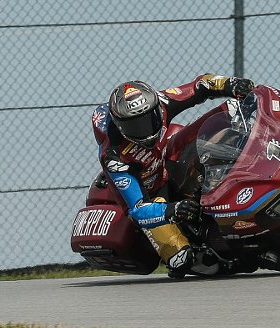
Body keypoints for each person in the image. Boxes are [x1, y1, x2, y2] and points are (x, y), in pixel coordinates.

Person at [92, 73, 254, 278]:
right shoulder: (114, 156)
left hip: (165, 163)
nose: (146, 129)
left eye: (149, 119)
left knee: (228, 112)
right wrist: (173, 209)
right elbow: (138, 209)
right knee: (182, 259)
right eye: (136, 126)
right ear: (120, 126)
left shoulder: (161, 102)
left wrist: (230, 84)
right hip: (153, 199)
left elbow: (200, 85)